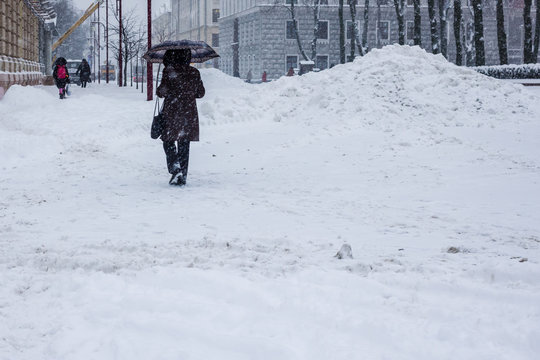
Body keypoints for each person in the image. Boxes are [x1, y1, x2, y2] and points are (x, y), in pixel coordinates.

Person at [157, 49, 205, 186]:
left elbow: (162, 92)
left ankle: (175, 167)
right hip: (188, 113)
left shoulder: (169, 71)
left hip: (172, 111)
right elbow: (201, 93)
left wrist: (160, 90)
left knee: (168, 140)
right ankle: (182, 175)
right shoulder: (194, 72)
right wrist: (190, 92)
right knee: (184, 143)